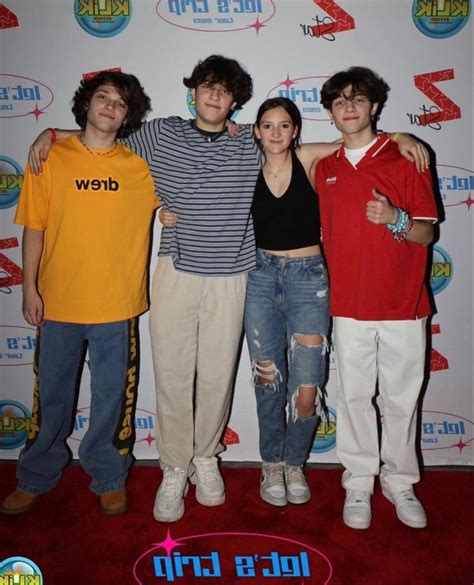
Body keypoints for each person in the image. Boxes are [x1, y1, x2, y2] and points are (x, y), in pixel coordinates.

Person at [26, 56, 428, 523]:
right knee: (175, 377)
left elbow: (353, 143)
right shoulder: (160, 134)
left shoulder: (260, 148)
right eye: (206, 87)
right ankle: (175, 467)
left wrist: (402, 136)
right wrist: (50, 134)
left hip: (240, 275)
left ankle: (207, 458)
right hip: (177, 271)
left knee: (226, 379)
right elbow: (101, 138)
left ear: (236, 103)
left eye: (224, 91)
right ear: (194, 92)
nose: (215, 96)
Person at [0, 71, 157, 516]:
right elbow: (34, 226)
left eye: (120, 103)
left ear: (128, 116)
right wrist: (29, 287)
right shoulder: (50, 157)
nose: (109, 106)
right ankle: (35, 475)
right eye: (102, 97)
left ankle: (108, 475)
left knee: (112, 399)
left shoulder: (140, 165)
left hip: (117, 305)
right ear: (86, 103)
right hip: (57, 302)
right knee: (50, 396)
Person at [315, 66, 437, 529]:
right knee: (354, 397)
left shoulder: (407, 160)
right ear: (330, 110)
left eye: (359, 98)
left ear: (376, 106)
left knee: (402, 399)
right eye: (340, 100)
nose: (349, 106)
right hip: (348, 304)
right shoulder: (324, 167)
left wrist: (395, 218)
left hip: (403, 303)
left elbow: (426, 233)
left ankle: (399, 481)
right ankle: (360, 482)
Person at [244, 97, 329, 507]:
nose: (275, 133)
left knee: (307, 386)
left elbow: (360, 140)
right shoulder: (245, 162)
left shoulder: (308, 157)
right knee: (267, 379)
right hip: (258, 277)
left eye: (283, 125)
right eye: (267, 125)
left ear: (295, 130)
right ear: (256, 130)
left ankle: (295, 462)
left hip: (307, 278)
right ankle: (272, 464)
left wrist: (400, 137)